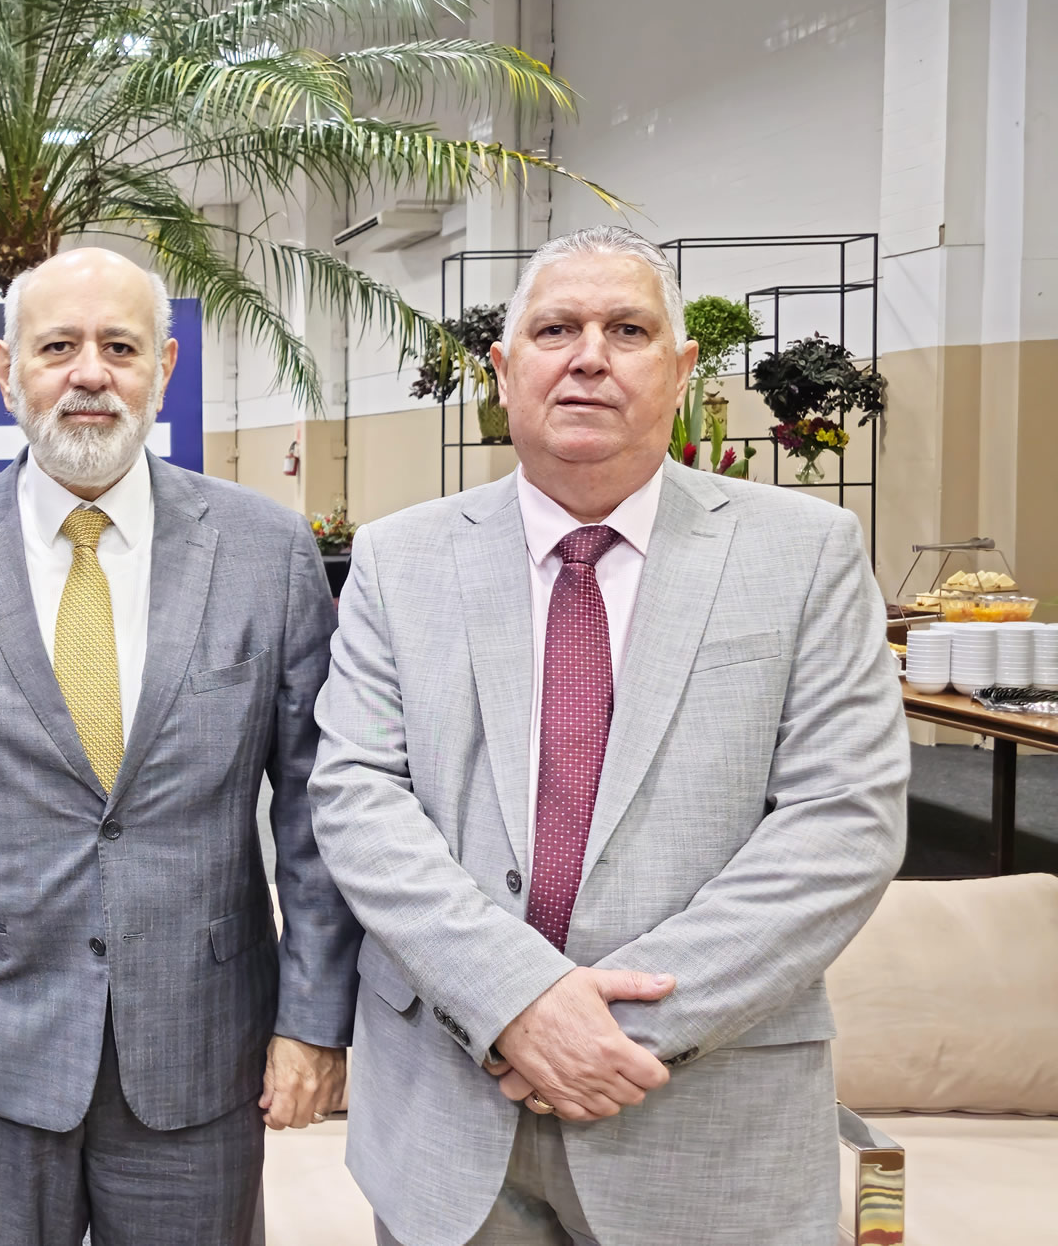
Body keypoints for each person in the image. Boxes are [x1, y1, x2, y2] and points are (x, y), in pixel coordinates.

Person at [309, 225, 907, 1246]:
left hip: (702, 1123)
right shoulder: (401, 560)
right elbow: (358, 795)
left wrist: (602, 1031)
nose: (589, 355)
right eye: (556, 329)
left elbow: (842, 822)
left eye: (627, 330)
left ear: (680, 370)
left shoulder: (804, 554)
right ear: (504, 370)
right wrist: (513, 1002)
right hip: (451, 1122)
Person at [0, 247, 358, 1245]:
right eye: (57, 347)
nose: (89, 373)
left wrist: (314, 1017)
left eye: (119, 347)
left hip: (204, 1047)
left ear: (164, 366)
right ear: (7, 369)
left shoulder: (267, 553)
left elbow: (316, 817)